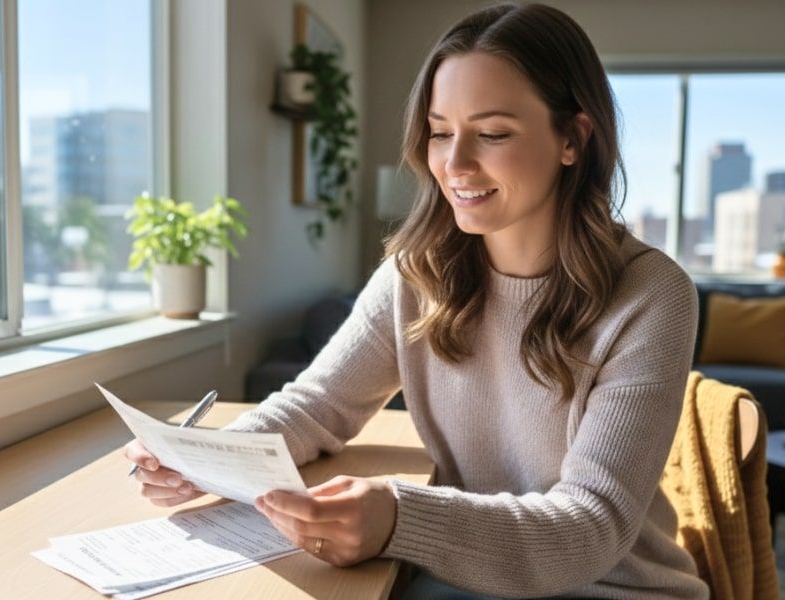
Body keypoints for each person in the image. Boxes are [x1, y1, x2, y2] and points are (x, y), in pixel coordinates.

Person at [124, 3, 709, 598]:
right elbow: (318, 405)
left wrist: (401, 518)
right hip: (468, 576)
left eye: (492, 133)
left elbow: (592, 527)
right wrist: (208, 457)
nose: (453, 164)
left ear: (573, 138)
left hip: (610, 587)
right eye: (439, 132)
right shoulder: (416, 274)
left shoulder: (651, 295)